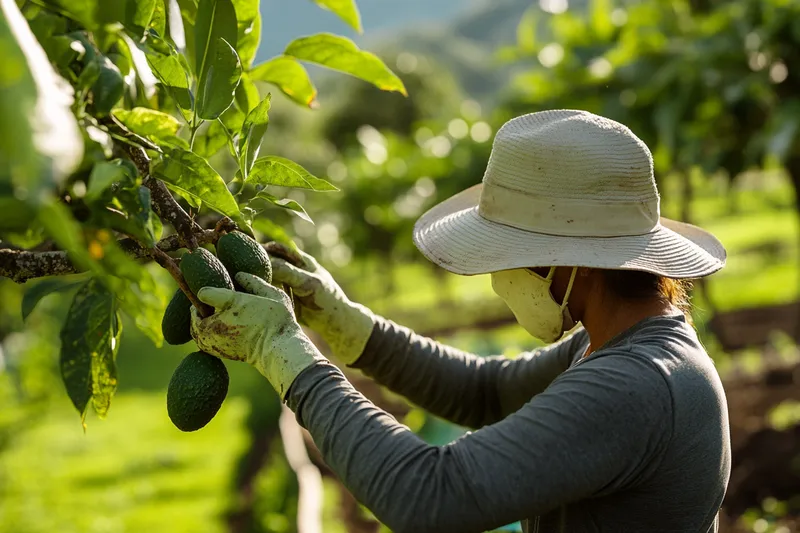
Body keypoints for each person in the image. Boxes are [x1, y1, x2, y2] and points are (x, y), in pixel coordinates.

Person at [190, 110, 731, 533]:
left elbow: (430, 495)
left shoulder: (634, 386)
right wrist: (341, 319)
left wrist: (288, 357)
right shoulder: (619, 345)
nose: (498, 277)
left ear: (572, 262)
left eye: (509, 257)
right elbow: (486, 392)